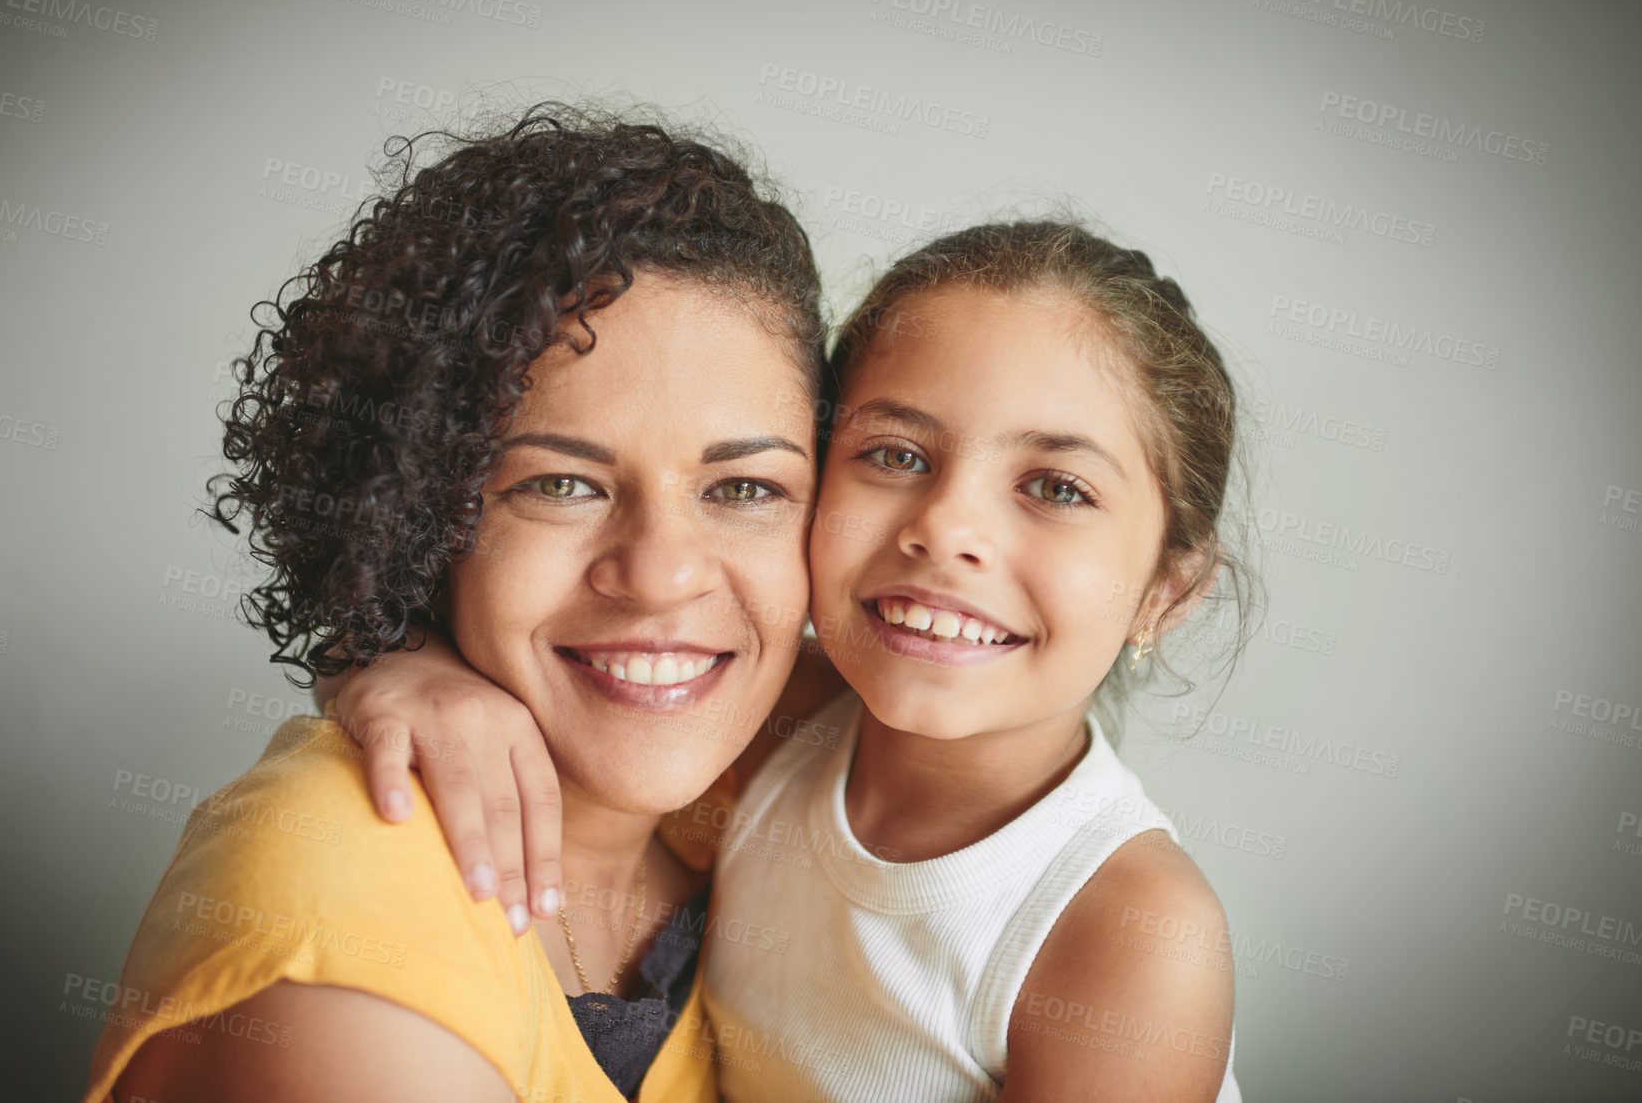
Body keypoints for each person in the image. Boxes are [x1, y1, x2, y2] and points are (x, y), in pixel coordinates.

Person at [334, 219, 1257, 1100]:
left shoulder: (1128, 932)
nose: (945, 528)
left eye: (1056, 487)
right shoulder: (774, 721)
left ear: (1164, 590)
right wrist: (400, 662)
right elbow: (509, 663)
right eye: (895, 453)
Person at [82, 102, 832, 1103]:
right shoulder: (342, 916)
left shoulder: (780, 797)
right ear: (416, 513)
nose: (660, 575)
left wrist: (371, 656)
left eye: (743, 490)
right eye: (559, 485)